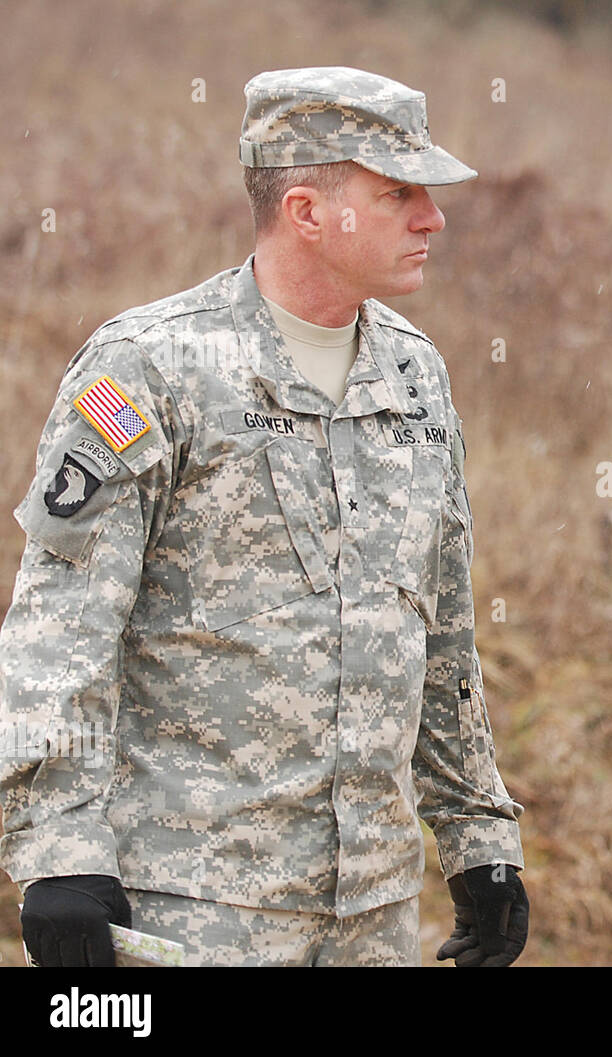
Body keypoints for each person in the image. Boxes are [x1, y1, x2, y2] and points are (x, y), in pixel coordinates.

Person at [0, 66, 527, 967]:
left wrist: (479, 837)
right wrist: (57, 854)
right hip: (192, 909)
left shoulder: (415, 376)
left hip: (374, 915)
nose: (432, 218)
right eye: (398, 193)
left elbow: (440, 636)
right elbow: (60, 633)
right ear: (307, 210)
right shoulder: (148, 371)